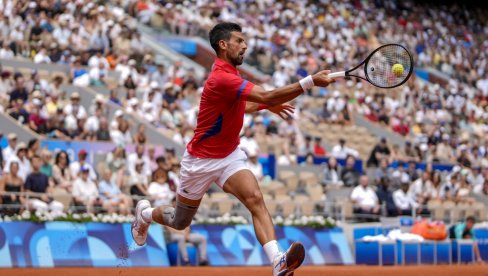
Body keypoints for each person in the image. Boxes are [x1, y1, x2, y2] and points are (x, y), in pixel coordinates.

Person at [131, 22, 334, 275]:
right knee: (179, 222)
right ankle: (145, 215)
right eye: (239, 40)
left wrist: (264, 106)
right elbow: (268, 96)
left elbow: (243, 106)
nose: (245, 45)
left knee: (255, 199)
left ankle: (278, 262)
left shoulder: (232, 76)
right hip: (199, 161)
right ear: (223, 45)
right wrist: (309, 82)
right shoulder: (221, 78)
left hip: (228, 156)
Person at [165, 199, 209, 266]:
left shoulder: (183, 213)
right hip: (173, 236)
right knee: (181, 238)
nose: (176, 205)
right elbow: (169, 229)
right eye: (175, 203)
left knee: (202, 238)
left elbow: (187, 226)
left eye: (177, 203)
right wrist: (182, 234)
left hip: (186, 234)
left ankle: (202, 259)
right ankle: (186, 259)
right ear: (172, 203)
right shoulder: (167, 213)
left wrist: (186, 235)